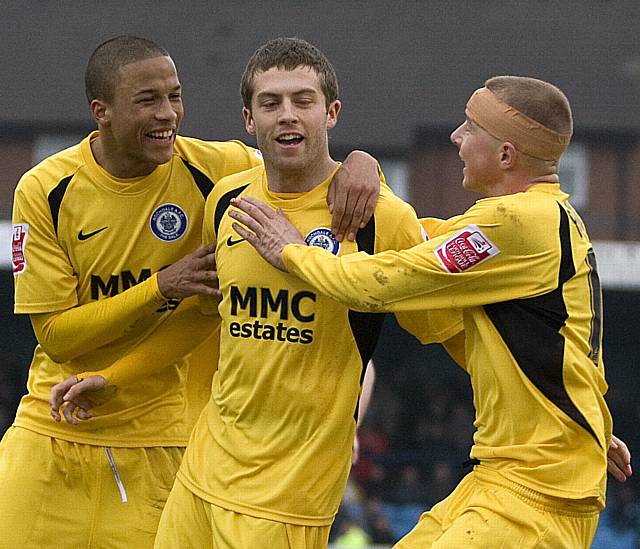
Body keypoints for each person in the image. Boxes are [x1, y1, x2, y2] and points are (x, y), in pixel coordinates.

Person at [51, 37, 463, 548]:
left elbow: (455, 335)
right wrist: (114, 377)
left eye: (302, 101)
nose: (286, 115)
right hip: (203, 474)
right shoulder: (227, 201)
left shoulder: (380, 218)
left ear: (331, 112)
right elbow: (204, 315)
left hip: (289, 495)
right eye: (270, 103)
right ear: (249, 120)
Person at [229, 75, 631, 547]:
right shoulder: (540, 218)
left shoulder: (515, 223)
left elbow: (374, 284)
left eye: (469, 128)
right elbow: (419, 241)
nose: (455, 138)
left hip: (537, 495)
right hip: (510, 477)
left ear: (505, 155)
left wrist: (292, 251)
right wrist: (362, 167)